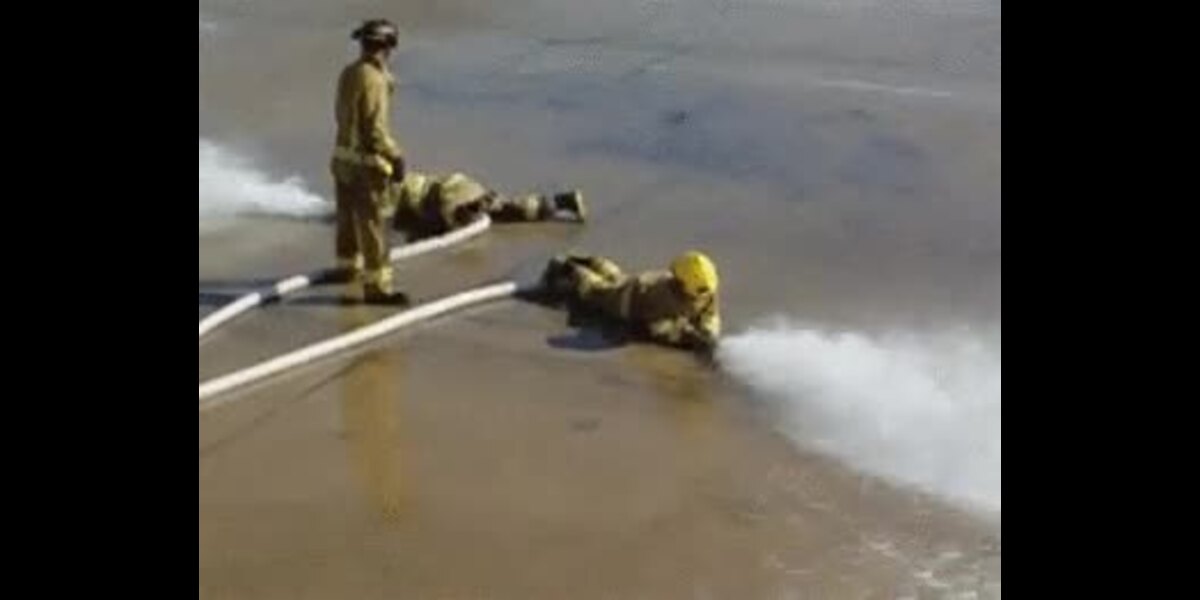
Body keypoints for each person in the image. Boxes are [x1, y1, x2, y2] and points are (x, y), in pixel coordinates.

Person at [330, 19, 409, 304]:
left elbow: (341, 116)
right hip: (366, 166)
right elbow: (375, 131)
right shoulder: (375, 79)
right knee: (374, 226)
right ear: (388, 47)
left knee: (347, 221)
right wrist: (396, 157)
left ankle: (346, 268)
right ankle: (377, 288)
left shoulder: (349, 73)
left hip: (342, 160)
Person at [537, 251, 722, 354]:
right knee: (595, 290)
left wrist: (709, 331)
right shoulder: (663, 297)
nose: (703, 297)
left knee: (616, 278)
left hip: (638, 283)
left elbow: (710, 313)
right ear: (681, 284)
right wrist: (690, 338)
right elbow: (658, 329)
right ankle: (569, 268)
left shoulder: (703, 289)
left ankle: (593, 261)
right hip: (625, 302)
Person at [387, 170, 586, 241]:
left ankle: (471, 209)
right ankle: (562, 201)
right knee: (507, 208)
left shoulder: (388, 192)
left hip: (444, 197)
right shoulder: (400, 179)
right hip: (459, 185)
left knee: (449, 223)